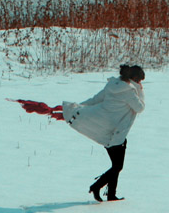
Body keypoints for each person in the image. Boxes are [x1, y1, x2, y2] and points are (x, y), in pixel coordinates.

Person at [62, 65, 145, 202]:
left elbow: (95, 100)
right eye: (140, 81)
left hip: (106, 131)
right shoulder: (129, 92)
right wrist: (140, 91)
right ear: (135, 80)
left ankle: (111, 195)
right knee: (117, 166)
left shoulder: (112, 85)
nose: (141, 84)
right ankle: (97, 186)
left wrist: (78, 109)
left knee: (116, 166)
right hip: (116, 133)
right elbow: (140, 107)